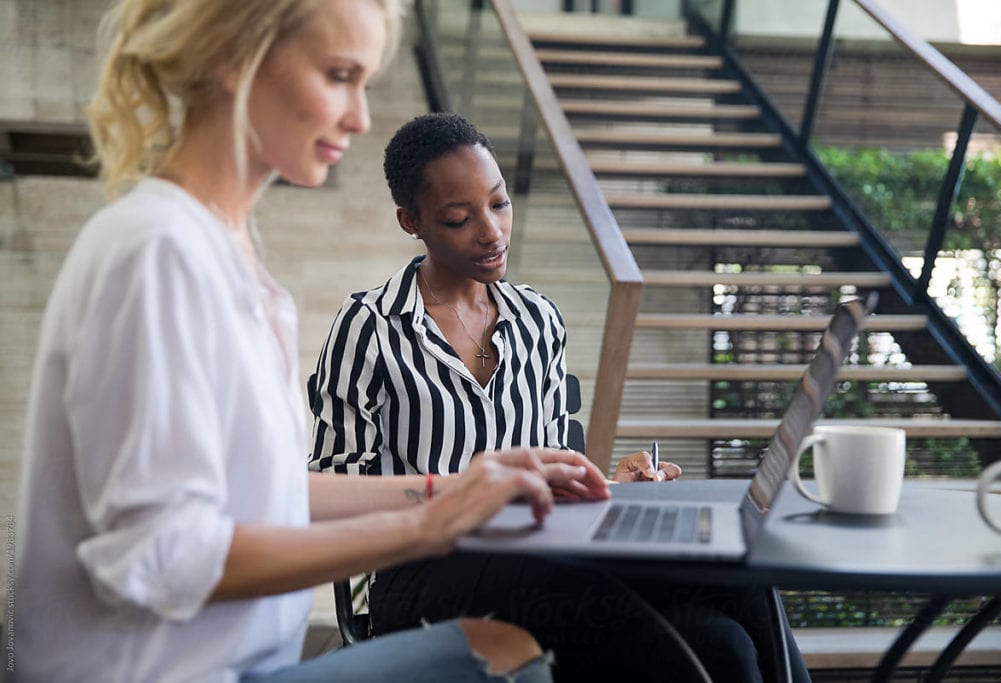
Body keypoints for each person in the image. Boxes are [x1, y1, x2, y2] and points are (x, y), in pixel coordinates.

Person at [12, 3, 614, 681]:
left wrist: (460, 487)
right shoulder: (156, 252)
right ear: (234, 59)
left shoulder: (229, 253)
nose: (359, 117)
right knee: (519, 653)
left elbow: (270, 493)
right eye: (339, 76)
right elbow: (165, 554)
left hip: (246, 662)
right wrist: (428, 527)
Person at [308, 112, 813, 682]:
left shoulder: (538, 320)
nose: (491, 231)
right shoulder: (369, 327)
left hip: (538, 558)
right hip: (423, 575)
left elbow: (545, 468)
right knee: (717, 580)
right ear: (412, 221)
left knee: (725, 638)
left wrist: (609, 486)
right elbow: (333, 493)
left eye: (499, 204)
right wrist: (450, 501)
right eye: (458, 218)